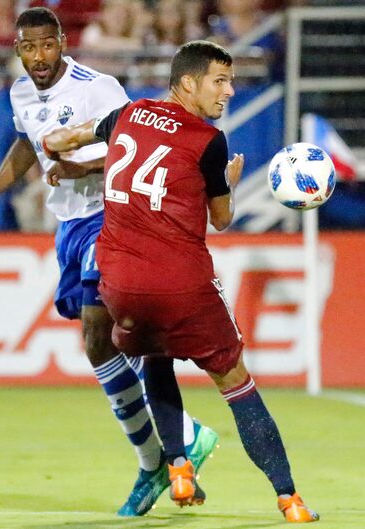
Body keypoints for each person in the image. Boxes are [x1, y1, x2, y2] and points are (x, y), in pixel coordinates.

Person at [0, 8, 219, 517]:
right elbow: (27, 145)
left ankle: (173, 443)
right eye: (29, 48)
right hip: (69, 224)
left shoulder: (99, 88)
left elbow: (136, 144)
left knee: (100, 332)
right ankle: (162, 454)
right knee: (97, 346)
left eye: (48, 46)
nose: (39, 57)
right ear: (19, 50)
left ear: (63, 42)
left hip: (111, 214)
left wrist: (81, 164)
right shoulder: (21, 93)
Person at [42, 40, 320, 522]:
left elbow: (65, 139)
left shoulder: (125, 116)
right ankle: (289, 498)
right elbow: (222, 218)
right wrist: (227, 182)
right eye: (220, 81)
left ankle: (177, 466)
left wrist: (55, 147)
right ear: (188, 83)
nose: (229, 91)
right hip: (181, 283)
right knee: (236, 383)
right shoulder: (209, 142)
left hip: (120, 283)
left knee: (154, 354)